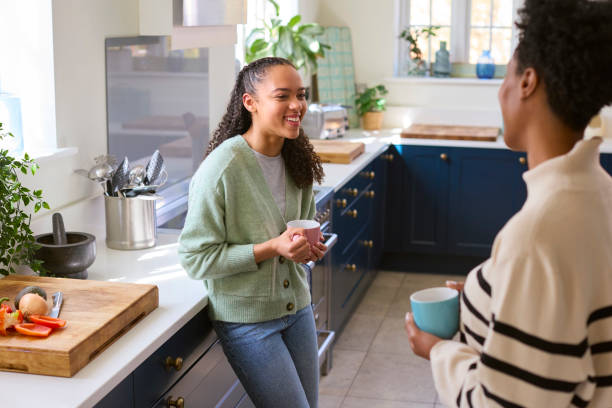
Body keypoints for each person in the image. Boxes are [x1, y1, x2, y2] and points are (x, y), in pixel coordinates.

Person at [404, 0, 612, 406]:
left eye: (506, 74)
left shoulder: (537, 234)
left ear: (527, 82)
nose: (500, 90)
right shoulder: (601, 192)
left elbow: (502, 403)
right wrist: (496, 287)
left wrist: (437, 351)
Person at [178, 57, 327, 408]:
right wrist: (272, 248)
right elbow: (195, 259)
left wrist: (305, 251)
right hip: (248, 323)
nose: (297, 106)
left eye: (301, 95)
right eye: (283, 96)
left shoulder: (297, 160)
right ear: (251, 103)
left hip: (298, 309)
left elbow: (297, 233)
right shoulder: (222, 169)